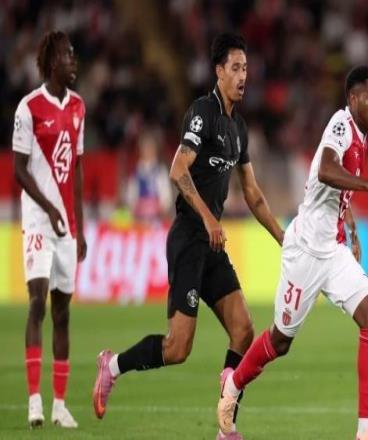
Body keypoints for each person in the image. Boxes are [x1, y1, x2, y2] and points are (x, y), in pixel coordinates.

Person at [93, 33, 283, 440]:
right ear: (218, 71)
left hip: (212, 242)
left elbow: (252, 193)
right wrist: (209, 218)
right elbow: (177, 170)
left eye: (246, 68)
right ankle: (112, 366)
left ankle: (226, 426)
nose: (243, 76)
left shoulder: (239, 128)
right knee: (178, 349)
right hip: (189, 238)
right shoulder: (203, 113)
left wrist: (283, 237)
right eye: (235, 68)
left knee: (244, 330)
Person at [217, 66, 368, 440]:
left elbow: (336, 191)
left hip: (332, 250)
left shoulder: (360, 136)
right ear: (353, 99)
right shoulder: (342, 125)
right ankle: (232, 386)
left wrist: (351, 226)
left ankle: (365, 430)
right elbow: (327, 170)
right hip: (306, 252)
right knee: (280, 340)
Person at [13, 30, 87, 429]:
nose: (73, 61)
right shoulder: (28, 108)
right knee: (37, 302)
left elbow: (77, 169)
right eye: (67, 55)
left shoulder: (78, 107)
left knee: (63, 313)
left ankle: (59, 405)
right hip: (39, 221)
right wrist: (49, 209)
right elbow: (19, 170)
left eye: (73, 54)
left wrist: (81, 227)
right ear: (51, 61)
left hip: (67, 226)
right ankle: (34, 402)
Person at [126, 131, 173, 224]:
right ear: (140, 150)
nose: (147, 150)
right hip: (139, 218)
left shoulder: (160, 170)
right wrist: (134, 208)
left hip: (157, 217)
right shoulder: (136, 171)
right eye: (145, 148)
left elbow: (166, 195)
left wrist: (162, 208)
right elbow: (131, 195)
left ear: (155, 150)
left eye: (150, 147)